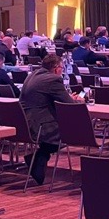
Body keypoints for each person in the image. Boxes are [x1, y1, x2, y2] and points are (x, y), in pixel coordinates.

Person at [19, 54, 81, 185]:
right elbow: (69, 104)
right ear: (56, 68)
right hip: (40, 126)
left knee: (65, 129)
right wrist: (78, 100)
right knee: (73, 131)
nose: (62, 71)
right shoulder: (53, 79)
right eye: (62, 68)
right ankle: (39, 157)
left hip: (24, 122)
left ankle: (38, 158)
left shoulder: (32, 75)